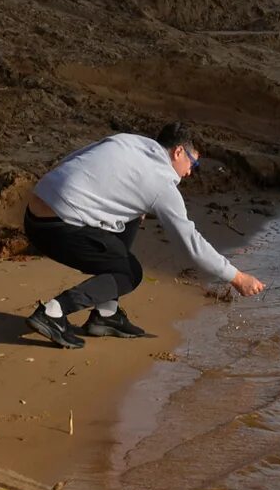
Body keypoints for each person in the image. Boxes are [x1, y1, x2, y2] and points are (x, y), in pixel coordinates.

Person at [22, 122, 262, 348]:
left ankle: (106, 313)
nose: (190, 172)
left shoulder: (130, 141)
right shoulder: (161, 184)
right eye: (193, 163)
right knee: (130, 273)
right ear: (178, 152)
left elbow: (75, 161)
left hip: (34, 214)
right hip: (56, 229)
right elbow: (191, 244)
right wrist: (237, 277)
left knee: (135, 215)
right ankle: (53, 312)